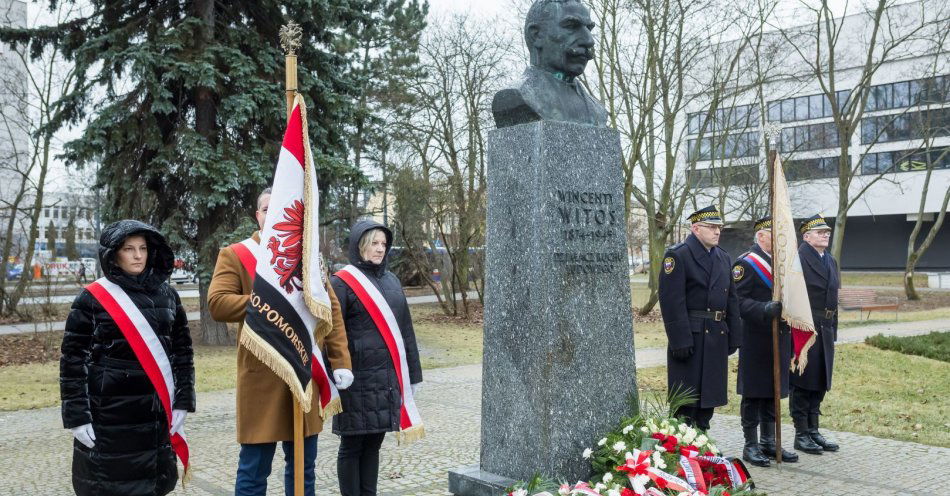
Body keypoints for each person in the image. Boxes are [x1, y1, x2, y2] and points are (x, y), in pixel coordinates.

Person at [208, 189, 353, 496]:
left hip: (304, 373)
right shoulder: (236, 254)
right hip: (261, 378)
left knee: (304, 470)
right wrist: (272, 302)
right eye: (265, 208)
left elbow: (332, 312)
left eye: (279, 208)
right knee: (253, 471)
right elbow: (218, 304)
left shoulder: (309, 258)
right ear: (257, 216)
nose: (271, 213)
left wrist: (341, 362)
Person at [60, 220, 194, 496]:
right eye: (129, 248)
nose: (138, 255)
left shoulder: (168, 295)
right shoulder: (91, 299)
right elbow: (73, 361)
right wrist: (76, 415)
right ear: (113, 254)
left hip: (155, 415)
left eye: (143, 248)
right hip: (108, 417)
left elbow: (182, 353)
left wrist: (183, 399)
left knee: (152, 487)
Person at [331, 220, 423, 496]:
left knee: (374, 443)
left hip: (386, 378)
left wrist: (413, 375)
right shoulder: (342, 283)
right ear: (360, 245)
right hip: (354, 379)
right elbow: (331, 334)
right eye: (374, 243)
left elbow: (406, 331)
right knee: (352, 446)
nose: (380, 249)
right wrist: (337, 369)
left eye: (383, 244)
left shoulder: (392, 281)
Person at [659, 205, 741, 431]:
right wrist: (679, 339)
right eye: (712, 227)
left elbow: (731, 300)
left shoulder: (723, 257)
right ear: (695, 229)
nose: (717, 232)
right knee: (687, 400)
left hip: (716, 334)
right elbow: (671, 301)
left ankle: (703, 440)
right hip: (691, 336)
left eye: (719, 227)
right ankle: (682, 446)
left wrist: (735, 335)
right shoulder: (678, 255)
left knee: (709, 398)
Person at [732, 216, 798, 467]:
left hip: (779, 336)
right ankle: (751, 444)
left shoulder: (780, 263)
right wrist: (763, 308)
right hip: (756, 337)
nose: (778, 238)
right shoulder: (746, 264)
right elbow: (738, 301)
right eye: (774, 233)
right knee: (753, 393)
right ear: (761, 236)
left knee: (773, 390)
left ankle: (769, 441)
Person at [492, 0, 608, 128]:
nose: (589, 40)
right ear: (536, 35)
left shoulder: (598, 111)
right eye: (571, 26)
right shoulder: (514, 97)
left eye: (589, 29)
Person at [790, 214, 840, 455]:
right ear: (806, 236)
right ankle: (801, 433)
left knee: (820, 380)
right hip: (806, 327)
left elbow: (834, 297)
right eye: (820, 232)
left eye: (827, 232)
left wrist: (834, 330)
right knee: (804, 382)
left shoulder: (829, 260)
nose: (826, 235)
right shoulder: (799, 259)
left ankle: (814, 430)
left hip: (826, 326)